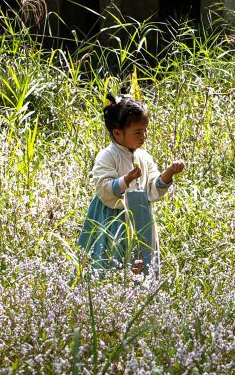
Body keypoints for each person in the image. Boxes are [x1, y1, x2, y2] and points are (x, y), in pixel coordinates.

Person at [79, 92, 184, 273]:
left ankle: (140, 293)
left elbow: (153, 188)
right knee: (113, 259)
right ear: (117, 133)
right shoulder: (107, 156)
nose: (144, 135)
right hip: (113, 219)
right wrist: (126, 179)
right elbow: (104, 188)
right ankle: (112, 289)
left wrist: (168, 174)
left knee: (142, 260)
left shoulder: (144, 157)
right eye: (137, 132)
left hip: (140, 217)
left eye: (146, 130)